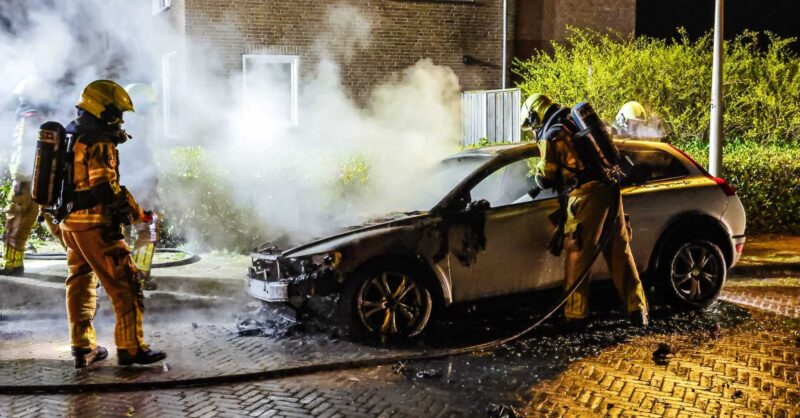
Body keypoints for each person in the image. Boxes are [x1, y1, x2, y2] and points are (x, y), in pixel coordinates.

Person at [60, 79, 166, 368]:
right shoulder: (97, 140)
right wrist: (136, 214)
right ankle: (131, 348)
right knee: (126, 285)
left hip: (71, 224)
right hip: (96, 225)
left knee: (80, 283)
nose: (119, 120)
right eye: (115, 112)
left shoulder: (73, 134)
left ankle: (83, 348)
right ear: (100, 108)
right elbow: (106, 187)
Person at [527, 93, 649, 328]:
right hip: (610, 191)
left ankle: (575, 316)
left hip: (585, 196)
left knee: (577, 254)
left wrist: (535, 174)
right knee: (620, 252)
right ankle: (638, 310)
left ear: (535, 115)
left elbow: (546, 177)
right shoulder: (573, 123)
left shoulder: (552, 135)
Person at [1, 79, 65, 275]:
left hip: (30, 177)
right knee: (57, 217)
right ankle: (84, 261)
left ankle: (12, 264)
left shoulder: (30, 121)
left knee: (20, 214)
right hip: (46, 176)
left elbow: (22, 155)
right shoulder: (53, 118)